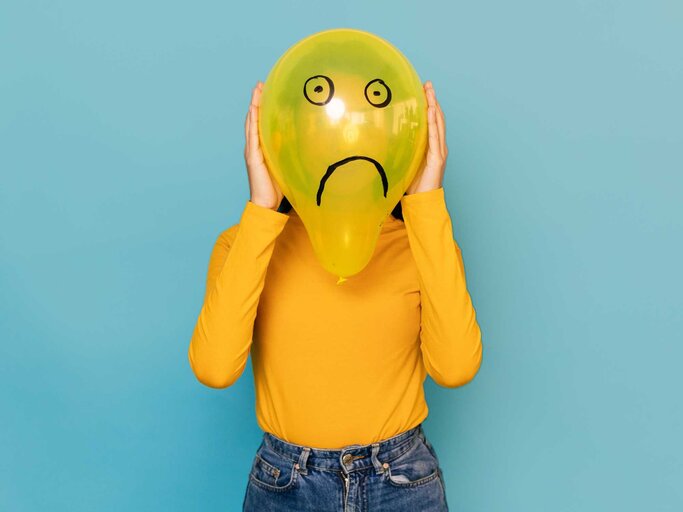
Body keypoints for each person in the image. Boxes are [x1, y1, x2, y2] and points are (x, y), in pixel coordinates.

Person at [188, 80, 483, 511]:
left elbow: (455, 368)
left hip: (400, 482)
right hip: (285, 484)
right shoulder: (244, 244)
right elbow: (215, 368)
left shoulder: (422, 245)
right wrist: (262, 209)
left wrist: (427, 204)